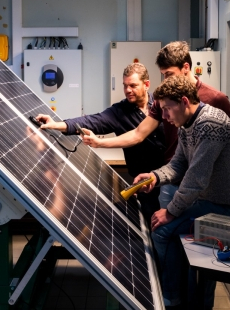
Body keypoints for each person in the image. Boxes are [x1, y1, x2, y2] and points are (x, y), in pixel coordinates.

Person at [134, 76, 230, 310]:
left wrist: (171, 211)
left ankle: (173, 306)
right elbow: (178, 165)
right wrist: (154, 176)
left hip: (228, 208)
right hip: (208, 203)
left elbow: (196, 178)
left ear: (184, 102)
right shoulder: (189, 124)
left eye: (166, 108)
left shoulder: (210, 124)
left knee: (163, 229)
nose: (163, 116)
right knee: (172, 235)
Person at [81, 41, 230, 208]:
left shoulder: (216, 100)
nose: (167, 115)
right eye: (163, 75)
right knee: (162, 231)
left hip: (204, 187)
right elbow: (138, 133)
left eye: (169, 74)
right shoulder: (164, 101)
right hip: (172, 177)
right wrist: (99, 142)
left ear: (186, 67)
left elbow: (227, 148)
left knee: (181, 230)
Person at [35, 62, 165, 222]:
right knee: (156, 228)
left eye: (133, 85)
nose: (127, 90)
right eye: (125, 86)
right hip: (145, 186)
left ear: (146, 85)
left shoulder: (163, 105)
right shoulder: (119, 112)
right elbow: (91, 121)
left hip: (172, 179)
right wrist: (56, 124)